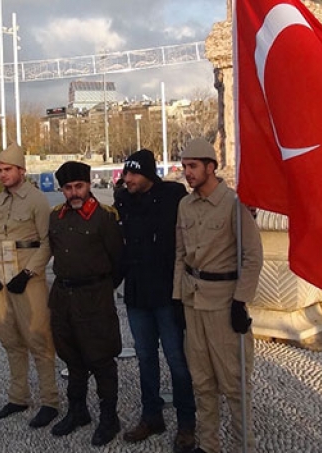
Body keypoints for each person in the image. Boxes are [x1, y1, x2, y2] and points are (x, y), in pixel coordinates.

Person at [173, 139, 263, 453]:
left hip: (224, 303)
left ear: (211, 167)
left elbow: (253, 257)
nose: (187, 173)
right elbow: (180, 255)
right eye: (184, 167)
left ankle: (244, 447)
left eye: (193, 166)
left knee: (235, 383)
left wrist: (240, 301)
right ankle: (209, 445)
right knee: (202, 382)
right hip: (193, 301)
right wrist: (176, 297)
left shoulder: (235, 204)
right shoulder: (185, 205)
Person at [113, 149, 196, 452]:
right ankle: (152, 416)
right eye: (126, 173)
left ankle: (187, 422)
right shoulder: (123, 200)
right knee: (145, 359)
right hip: (136, 294)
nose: (128, 179)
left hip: (167, 294)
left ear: (148, 175)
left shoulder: (173, 195)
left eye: (133, 174)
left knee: (177, 360)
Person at [48, 161, 124, 446]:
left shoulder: (104, 217)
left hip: (94, 298)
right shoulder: (56, 217)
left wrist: (100, 288)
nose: (74, 193)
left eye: (78, 186)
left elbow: (118, 261)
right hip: (63, 298)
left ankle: (109, 418)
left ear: (88, 185)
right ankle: (78, 410)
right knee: (72, 357)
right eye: (68, 188)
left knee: (102, 359)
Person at [0, 144, 59, 428]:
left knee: (39, 340)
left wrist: (28, 273)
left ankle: (50, 401)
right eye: (0, 170)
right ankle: (18, 397)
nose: (2, 175)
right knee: (10, 340)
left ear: (21, 171)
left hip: (27, 279)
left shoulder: (37, 200)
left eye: (7, 170)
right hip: (0, 278)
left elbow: (47, 242)